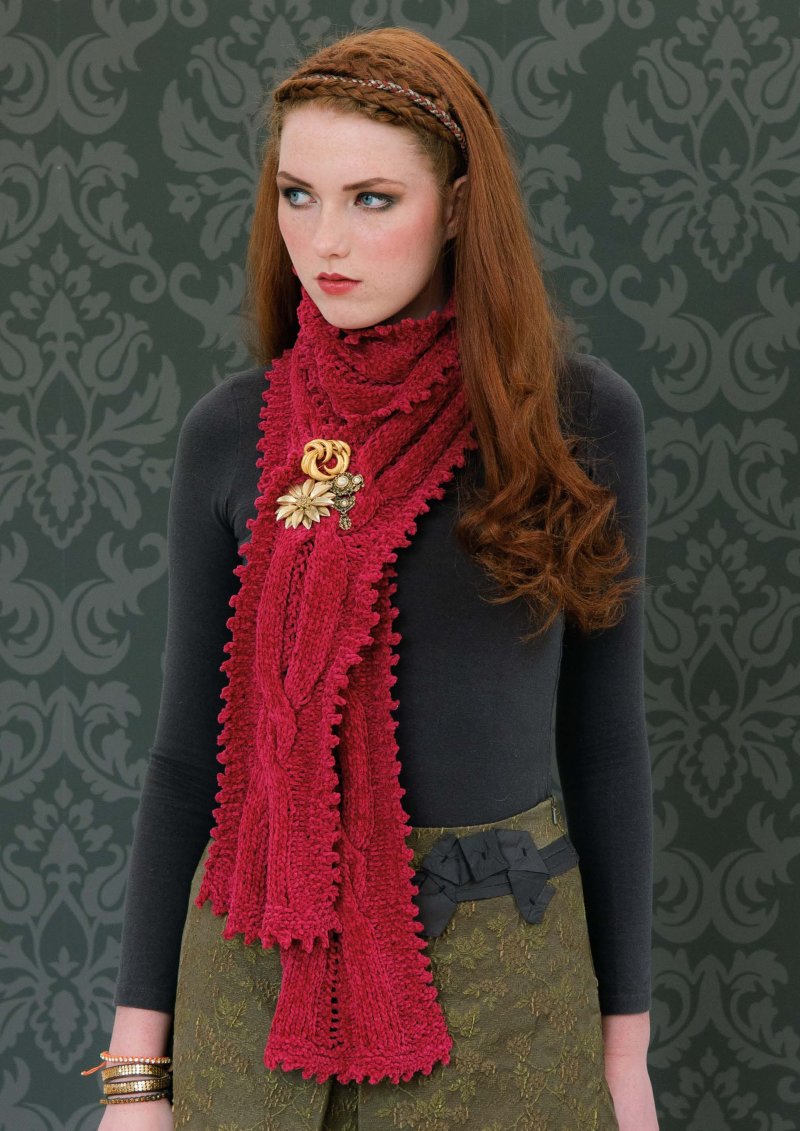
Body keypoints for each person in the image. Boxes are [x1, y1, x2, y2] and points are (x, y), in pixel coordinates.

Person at [86, 24, 658, 1131]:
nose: (325, 240)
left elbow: (604, 743)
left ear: (457, 205)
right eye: (298, 196)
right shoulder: (232, 432)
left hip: (504, 989)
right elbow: (185, 761)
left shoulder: (575, 418)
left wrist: (623, 1055)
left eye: (373, 199)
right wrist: (135, 1077)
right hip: (251, 988)